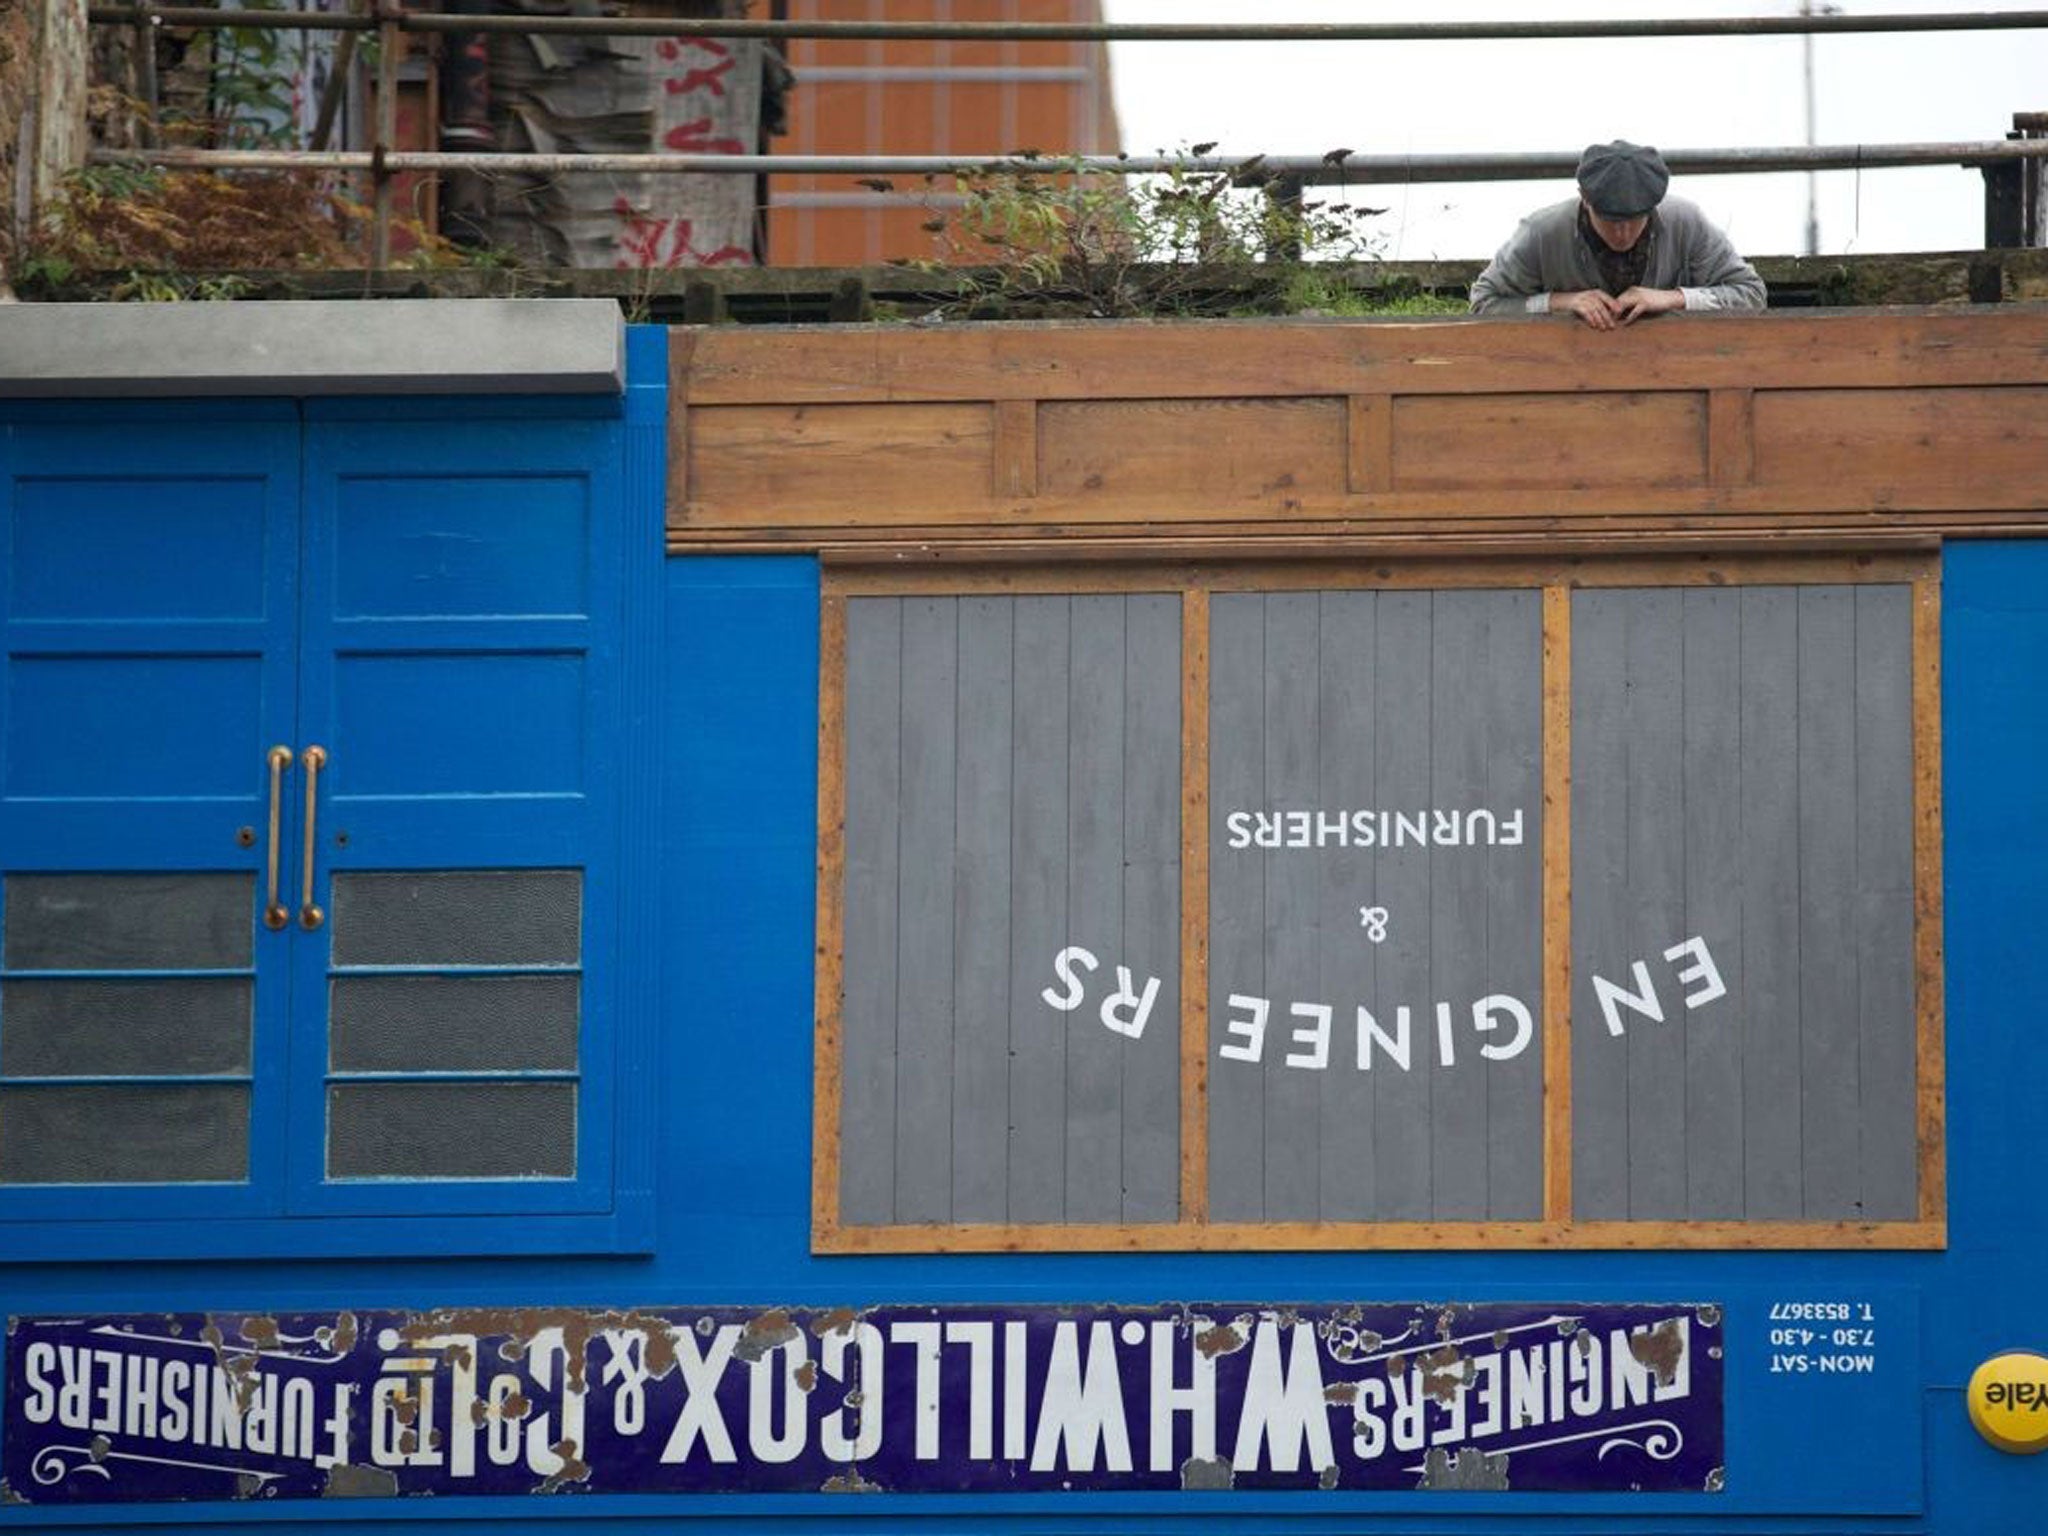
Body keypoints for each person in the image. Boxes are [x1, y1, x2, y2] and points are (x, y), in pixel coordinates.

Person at [1469, 140, 1766, 329]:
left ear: (1654, 205)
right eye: (1610, 220)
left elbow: (1751, 294)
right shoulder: (1542, 233)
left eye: (1636, 220)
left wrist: (1672, 299)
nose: (1623, 233)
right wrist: (1562, 302)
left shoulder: (1687, 222)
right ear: (1585, 199)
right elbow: (1483, 304)